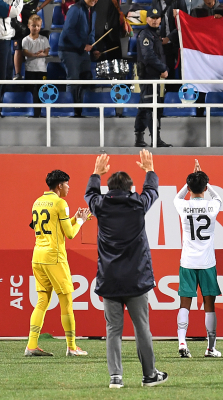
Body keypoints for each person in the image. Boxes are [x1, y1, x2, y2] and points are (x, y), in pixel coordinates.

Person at [85, 151, 168, 389]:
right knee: (142, 329)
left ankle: (115, 377)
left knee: (113, 330)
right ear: (131, 187)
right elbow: (152, 191)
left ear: (108, 189)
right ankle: (149, 375)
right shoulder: (138, 204)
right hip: (136, 279)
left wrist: (95, 173)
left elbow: (89, 193)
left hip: (109, 279)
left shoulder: (100, 206)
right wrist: (149, 170)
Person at [24, 169, 90, 358]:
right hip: (54, 257)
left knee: (42, 301)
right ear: (60, 185)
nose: (69, 187)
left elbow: (55, 228)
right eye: (67, 184)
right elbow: (69, 234)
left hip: (38, 256)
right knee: (67, 301)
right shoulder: (61, 203)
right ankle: (71, 347)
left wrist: (74, 219)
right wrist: (81, 221)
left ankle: (31, 345)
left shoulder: (37, 202)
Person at [173, 159, 223, 358]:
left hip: (187, 262)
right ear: (204, 188)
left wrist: (189, 182)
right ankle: (210, 348)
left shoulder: (182, 206)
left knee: (184, 304)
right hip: (207, 262)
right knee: (209, 306)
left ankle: (182, 343)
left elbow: (177, 197)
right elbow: (218, 196)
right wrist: (205, 182)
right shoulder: (213, 206)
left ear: (189, 188)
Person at [58, 0, 99, 114]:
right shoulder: (75, 9)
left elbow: (91, 34)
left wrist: (93, 49)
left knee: (86, 79)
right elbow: (68, 31)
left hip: (81, 51)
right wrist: (82, 46)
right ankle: (71, 111)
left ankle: (84, 110)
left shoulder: (93, 11)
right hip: (69, 50)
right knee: (74, 79)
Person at [134, 8, 170, 148]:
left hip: (152, 75)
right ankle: (155, 139)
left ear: (160, 19)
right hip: (148, 76)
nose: (154, 20)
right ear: (147, 19)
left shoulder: (154, 34)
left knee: (144, 107)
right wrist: (163, 68)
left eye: (157, 17)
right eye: (152, 17)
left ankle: (139, 138)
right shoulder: (146, 34)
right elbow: (148, 56)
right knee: (151, 108)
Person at [12, 0, 53, 78]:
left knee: (33, 49)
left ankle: (35, 74)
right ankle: (18, 74)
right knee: (18, 49)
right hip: (19, 24)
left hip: (32, 24)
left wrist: (40, 7)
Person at [150, 0, 185, 83]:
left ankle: (183, 98)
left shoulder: (179, 0)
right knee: (168, 73)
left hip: (177, 42)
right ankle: (170, 98)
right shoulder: (155, 1)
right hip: (163, 44)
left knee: (182, 73)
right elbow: (154, 21)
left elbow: (184, 23)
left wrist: (169, 38)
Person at [21, 14, 49, 118]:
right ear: (28, 26)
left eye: (38, 26)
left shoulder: (44, 39)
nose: (36, 28)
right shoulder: (25, 40)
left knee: (42, 91)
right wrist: (35, 55)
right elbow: (25, 52)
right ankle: (29, 111)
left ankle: (41, 112)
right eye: (33, 25)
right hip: (30, 70)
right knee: (29, 91)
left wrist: (42, 54)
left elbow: (46, 52)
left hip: (42, 70)